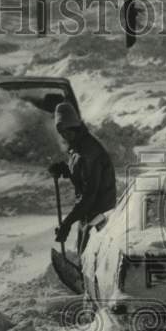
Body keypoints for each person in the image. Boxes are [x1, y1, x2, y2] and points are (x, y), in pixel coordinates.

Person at [47, 102, 116, 256]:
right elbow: (80, 172)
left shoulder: (89, 153)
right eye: (62, 133)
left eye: (66, 132)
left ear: (74, 127)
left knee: (91, 259)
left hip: (100, 216)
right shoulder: (78, 146)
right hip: (88, 214)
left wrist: (67, 223)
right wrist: (65, 169)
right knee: (84, 255)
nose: (64, 136)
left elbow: (89, 195)